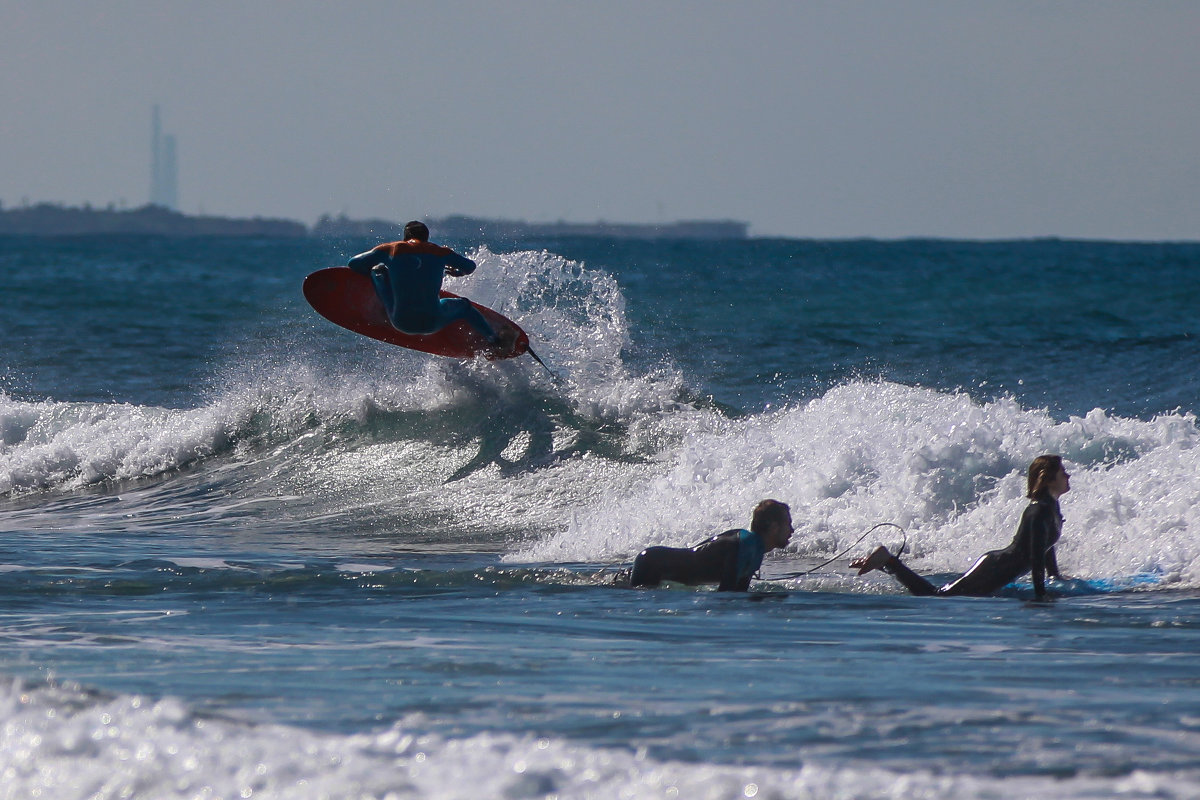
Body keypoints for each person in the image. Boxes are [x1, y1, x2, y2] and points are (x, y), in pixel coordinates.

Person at [851, 455, 1070, 599]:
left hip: (1001, 569)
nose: (1067, 476)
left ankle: (885, 563)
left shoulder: (1052, 507)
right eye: (1063, 472)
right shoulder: (1039, 510)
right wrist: (1041, 597)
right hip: (995, 567)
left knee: (940, 595)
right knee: (938, 596)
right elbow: (1036, 557)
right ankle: (889, 562)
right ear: (1048, 479)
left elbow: (1045, 548)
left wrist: (1055, 578)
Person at [347, 220, 515, 353]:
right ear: (426, 237)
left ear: (406, 237)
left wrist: (385, 273)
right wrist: (458, 272)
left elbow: (353, 264)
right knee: (463, 306)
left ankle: (383, 308)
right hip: (433, 322)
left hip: (399, 321)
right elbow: (470, 267)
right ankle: (494, 340)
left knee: (378, 271)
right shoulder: (440, 252)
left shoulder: (392, 249)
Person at [630, 499, 793, 591]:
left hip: (654, 560)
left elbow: (740, 594)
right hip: (652, 563)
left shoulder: (754, 548)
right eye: (788, 524)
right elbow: (727, 595)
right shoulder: (746, 545)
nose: (791, 530)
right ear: (773, 527)